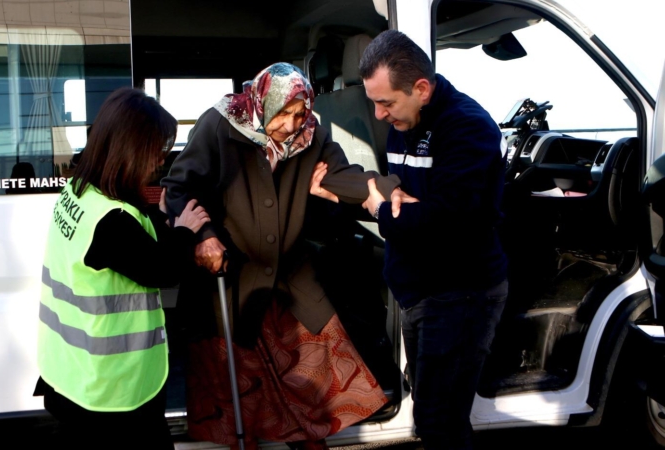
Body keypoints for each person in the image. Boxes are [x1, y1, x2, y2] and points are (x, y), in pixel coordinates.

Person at [161, 62, 400, 450]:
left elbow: (339, 175)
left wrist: (382, 190)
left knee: (313, 404)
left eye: (300, 113)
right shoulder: (220, 125)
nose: (292, 125)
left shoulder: (312, 134)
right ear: (262, 103)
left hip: (290, 283)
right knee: (244, 416)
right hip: (233, 284)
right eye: (284, 113)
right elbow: (178, 188)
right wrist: (203, 237)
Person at [357, 30, 509, 450]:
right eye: (374, 102)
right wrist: (396, 199)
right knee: (430, 409)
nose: (380, 114)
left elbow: (445, 221)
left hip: (461, 293)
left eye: (385, 102)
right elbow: (405, 196)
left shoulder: (467, 128)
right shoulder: (405, 119)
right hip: (418, 289)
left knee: (439, 420)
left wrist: (380, 208)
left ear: (421, 88)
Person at [34, 87, 210, 447]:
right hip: (112, 394)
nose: (159, 162)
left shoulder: (80, 192)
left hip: (70, 375)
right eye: (155, 151)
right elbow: (160, 271)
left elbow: (129, 244)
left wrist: (159, 218)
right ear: (129, 149)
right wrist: (185, 232)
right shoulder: (110, 222)